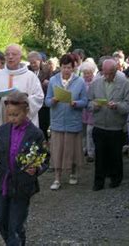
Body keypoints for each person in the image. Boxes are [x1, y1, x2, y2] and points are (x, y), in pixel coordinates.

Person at [0, 91, 49, 246]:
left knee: (15, 226)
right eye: (9, 115)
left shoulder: (35, 134)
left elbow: (44, 158)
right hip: (4, 185)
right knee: (2, 222)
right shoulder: (3, 130)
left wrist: (36, 169)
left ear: (26, 111)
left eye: (15, 115)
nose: (11, 119)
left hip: (22, 187)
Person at [0, 44, 44, 192]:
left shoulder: (30, 77)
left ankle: (23, 185)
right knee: (1, 152)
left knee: (22, 152)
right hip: (2, 123)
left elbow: (38, 97)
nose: (10, 57)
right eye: (7, 54)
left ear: (20, 57)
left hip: (22, 126)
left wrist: (23, 100)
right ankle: (0, 185)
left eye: (14, 54)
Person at [88, 59, 129, 190]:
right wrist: (94, 106)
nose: (107, 76)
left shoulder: (125, 84)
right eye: (105, 73)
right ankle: (99, 181)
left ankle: (116, 178)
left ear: (116, 71)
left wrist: (118, 106)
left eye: (111, 73)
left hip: (116, 127)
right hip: (99, 125)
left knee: (115, 155)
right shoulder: (95, 83)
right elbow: (88, 102)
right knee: (100, 155)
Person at [46, 53, 88, 190]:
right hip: (57, 121)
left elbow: (85, 101)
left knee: (73, 150)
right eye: (64, 67)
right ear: (60, 67)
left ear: (74, 68)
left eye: (69, 67)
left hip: (73, 121)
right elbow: (47, 101)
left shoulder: (80, 81)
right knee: (57, 150)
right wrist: (52, 101)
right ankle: (57, 178)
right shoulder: (53, 80)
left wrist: (76, 103)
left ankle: (73, 173)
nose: (66, 70)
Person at [28, 51, 52, 143]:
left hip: (43, 105)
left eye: (34, 62)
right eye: (31, 62)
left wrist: (47, 84)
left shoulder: (48, 70)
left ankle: (43, 149)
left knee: (42, 128)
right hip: (31, 103)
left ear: (40, 60)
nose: (33, 64)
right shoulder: (27, 71)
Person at [81, 61, 97, 162]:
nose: (87, 75)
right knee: (82, 132)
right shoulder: (81, 82)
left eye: (89, 73)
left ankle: (91, 153)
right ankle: (83, 149)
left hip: (91, 111)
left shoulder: (95, 83)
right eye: (85, 73)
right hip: (82, 110)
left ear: (92, 72)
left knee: (90, 132)